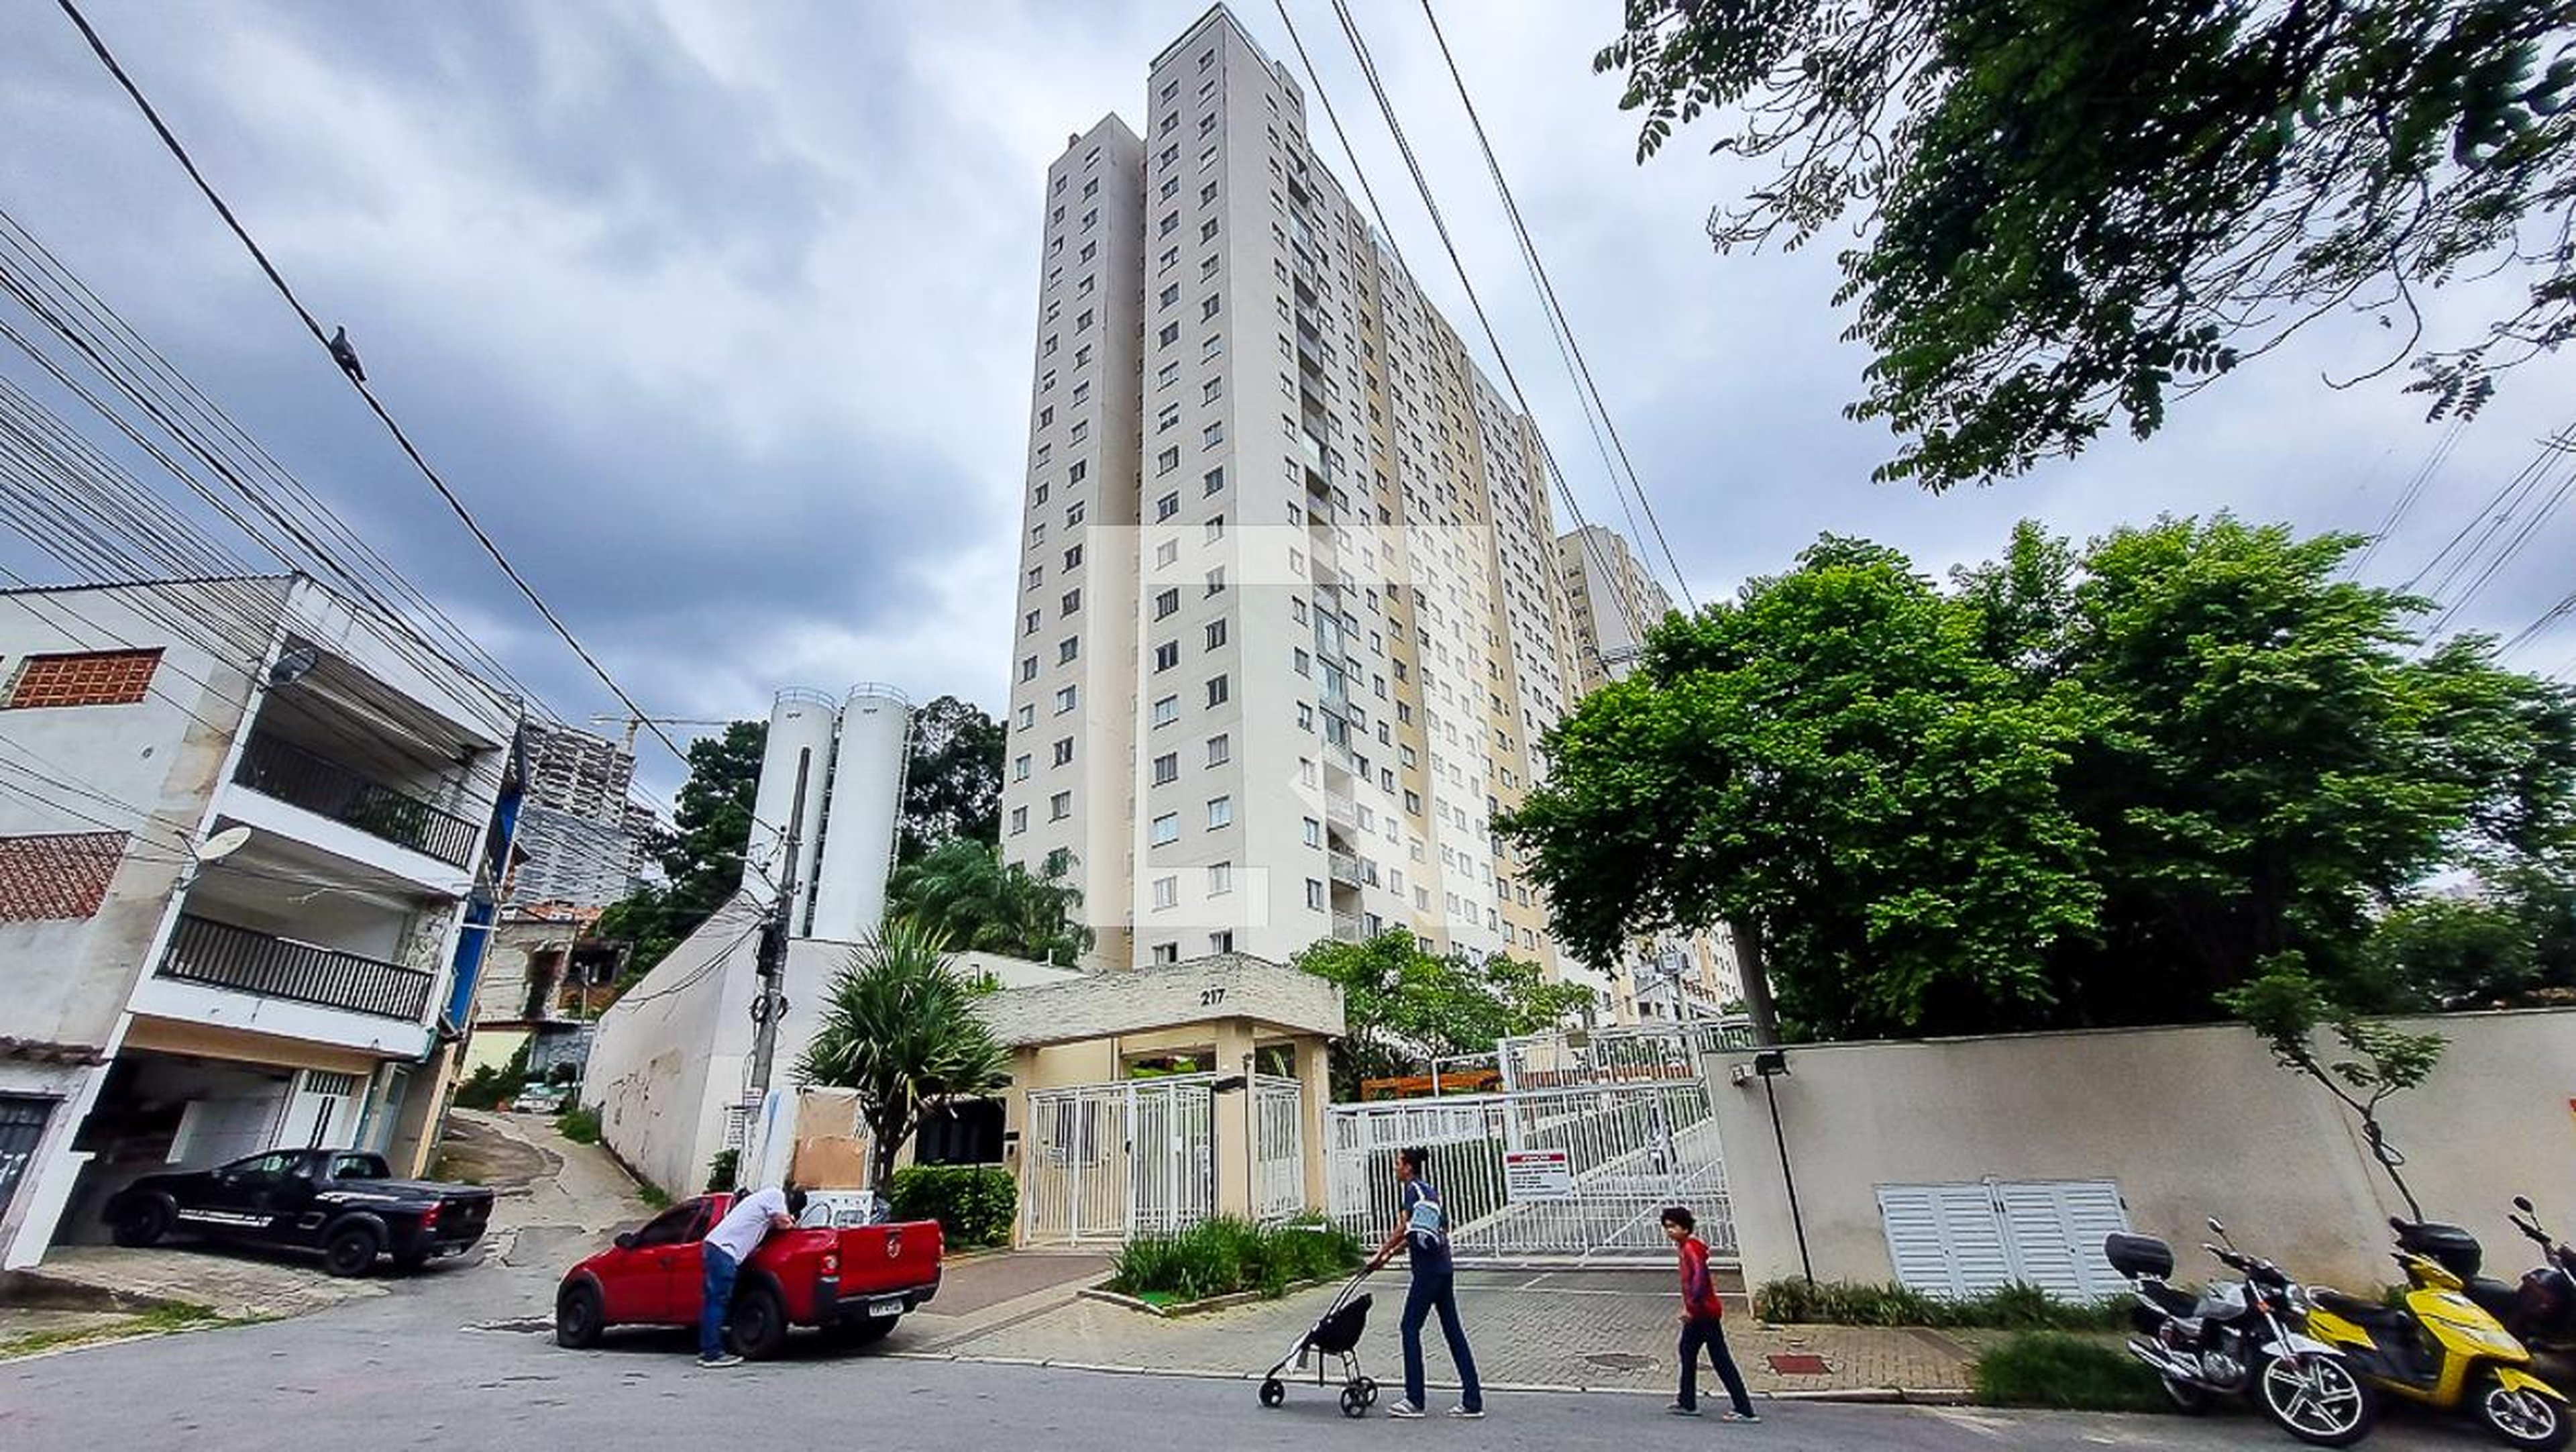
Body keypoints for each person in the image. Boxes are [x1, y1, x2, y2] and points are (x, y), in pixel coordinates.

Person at [1367, 1145, 1483, 1419]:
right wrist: (1388, 1257)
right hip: (1443, 1268)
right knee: (1453, 1332)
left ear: (1408, 1167)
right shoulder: (1429, 1192)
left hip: (1428, 1272)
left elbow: (1403, 1230)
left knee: (1409, 1327)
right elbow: (1423, 1231)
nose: (1395, 1168)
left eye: (1398, 1163)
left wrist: (1380, 1252)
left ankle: (1414, 1400)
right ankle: (1472, 1400)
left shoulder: (1413, 1191)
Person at [1662, 1205, 1757, 1421]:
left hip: (1703, 1313)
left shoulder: (1691, 1249)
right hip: (1703, 1312)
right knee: (1688, 1351)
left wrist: (1691, 1307)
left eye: (1673, 1226)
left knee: (1719, 1359)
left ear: (1686, 1228)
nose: (1669, 1231)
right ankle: (1687, 1401)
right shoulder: (1686, 1247)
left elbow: (1700, 1280)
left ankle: (1744, 1409)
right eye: (1667, 1227)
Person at [696, 1182, 806, 1367]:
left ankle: (708, 1349)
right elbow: (784, 1223)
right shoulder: (775, 1195)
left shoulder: (762, 1199)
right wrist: (794, 1221)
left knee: (714, 1302)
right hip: (724, 1251)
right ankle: (712, 1354)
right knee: (718, 1301)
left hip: (716, 1248)